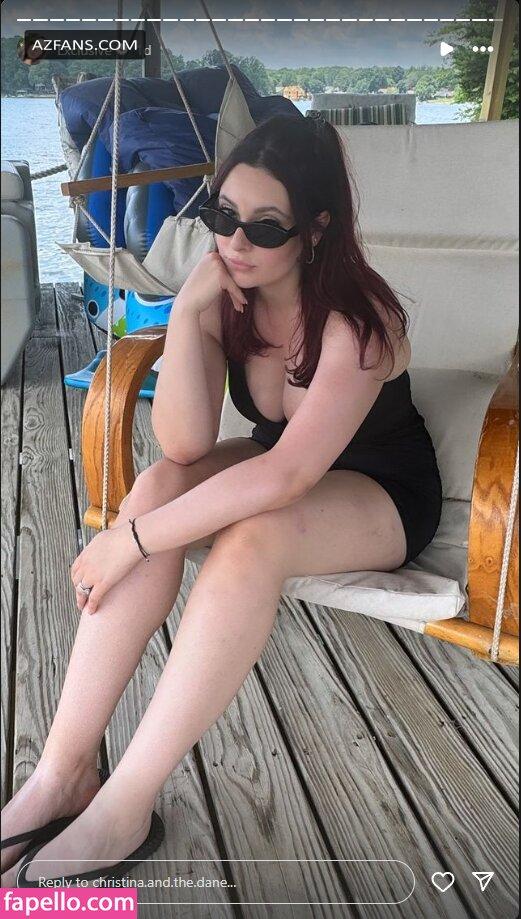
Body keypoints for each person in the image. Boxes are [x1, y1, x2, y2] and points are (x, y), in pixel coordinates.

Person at [1, 112, 442, 886]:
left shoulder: (357, 324)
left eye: (263, 227)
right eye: (221, 215)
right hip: (280, 460)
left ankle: (126, 805)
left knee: (249, 540)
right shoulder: (229, 293)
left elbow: (286, 478)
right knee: (157, 486)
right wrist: (187, 313)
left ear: (316, 229)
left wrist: (129, 539)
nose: (235, 242)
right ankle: (63, 774)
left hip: (378, 487)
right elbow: (182, 443)